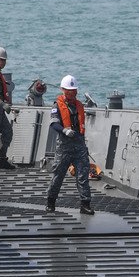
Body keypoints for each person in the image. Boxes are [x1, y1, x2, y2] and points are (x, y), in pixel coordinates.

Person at [45, 74, 93, 215]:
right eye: (69, 90)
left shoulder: (79, 105)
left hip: (79, 146)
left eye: (74, 90)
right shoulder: (57, 106)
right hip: (64, 147)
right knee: (58, 175)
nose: (72, 93)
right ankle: (50, 202)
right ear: (63, 90)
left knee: (83, 175)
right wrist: (64, 131)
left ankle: (85, 204)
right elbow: (54, 123)